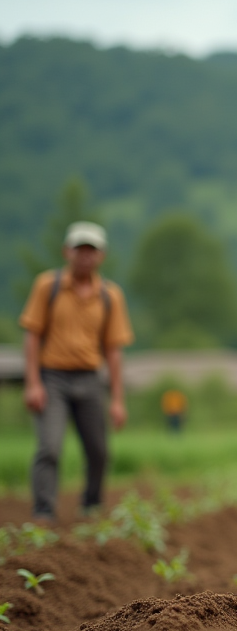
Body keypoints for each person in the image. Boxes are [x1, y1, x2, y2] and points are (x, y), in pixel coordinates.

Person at [19, 221, 134, 522]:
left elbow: (113, 350)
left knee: (99, 451)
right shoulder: (48, 286)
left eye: (91, 251)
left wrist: (118, 400)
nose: (85, 256)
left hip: (90, 379)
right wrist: (33, 383)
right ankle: (44, 512)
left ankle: (91, 507)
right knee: (50, 448)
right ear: (67, 252)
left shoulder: (111, 296)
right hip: (52, 377)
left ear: (102, 256)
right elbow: (32, 335)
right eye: (80, 250)